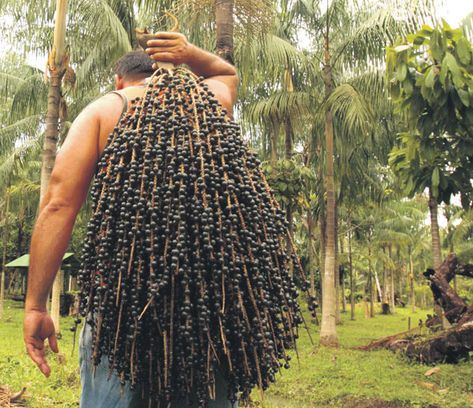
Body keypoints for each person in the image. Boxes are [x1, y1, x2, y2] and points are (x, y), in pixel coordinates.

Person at [23, 32, 239, 407]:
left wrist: (36, 307)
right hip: (208, 302)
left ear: (120, 80)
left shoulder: (105, 110)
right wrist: (191, 54)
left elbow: (58, 206)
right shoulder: (210, 101)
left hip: (120, 303)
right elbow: (227, 74)